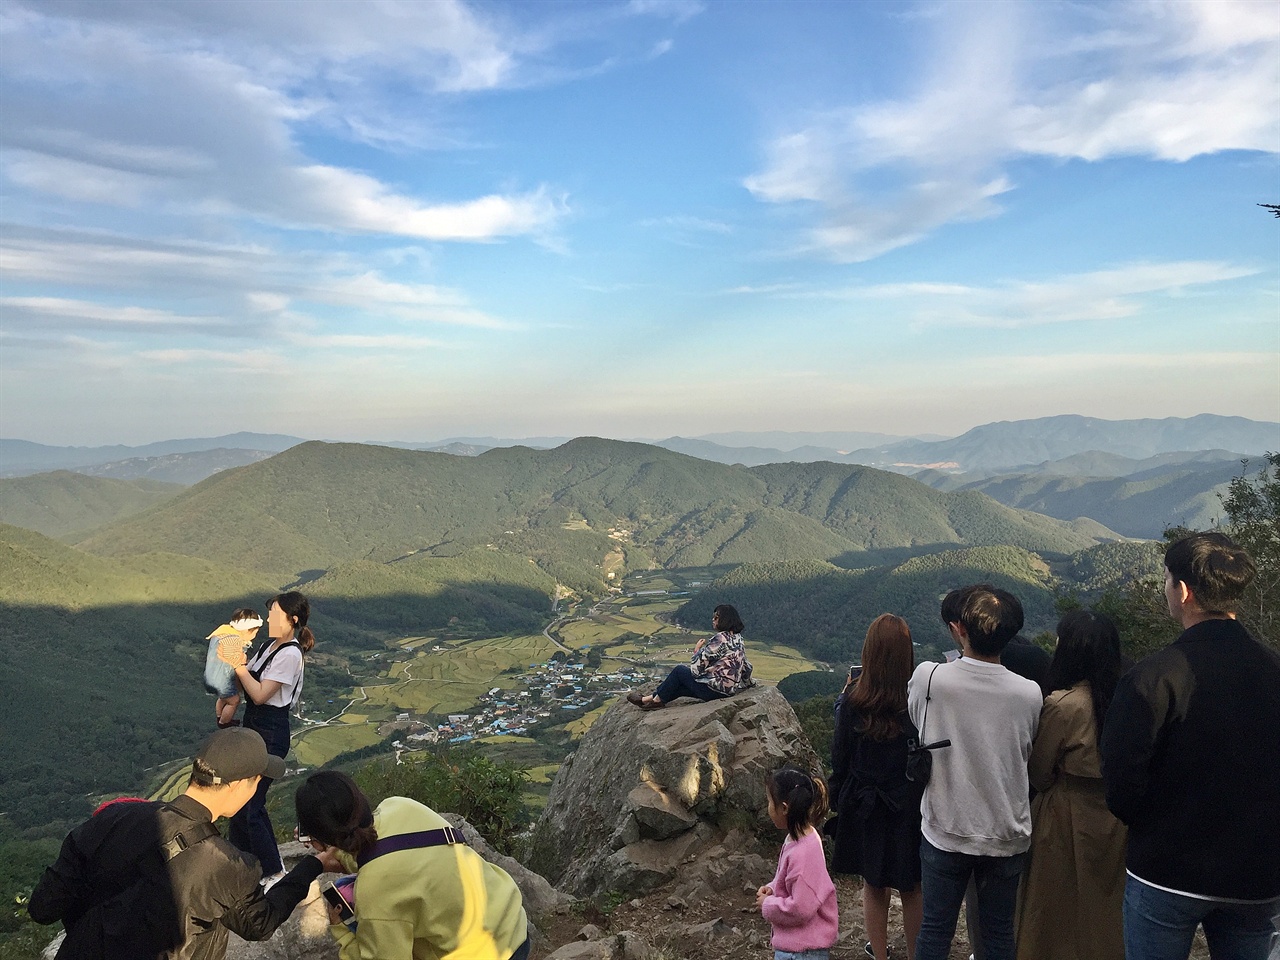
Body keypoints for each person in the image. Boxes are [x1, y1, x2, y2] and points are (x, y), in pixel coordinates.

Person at [1101, 532, 1280, 960]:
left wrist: (1154, 823)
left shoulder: (1153, 677)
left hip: (1167, 869)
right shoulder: (1273, 669)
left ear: (1182, 591)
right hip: (1258, 873)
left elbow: (1121, 779)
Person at [28, 727, 341, 960]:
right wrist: (315, 864)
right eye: (259, 780)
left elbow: (43, 907)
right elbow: (260, 924)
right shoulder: (229, 866)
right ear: (240, 784)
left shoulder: (114, 817)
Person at [908, 585, 1042, 960]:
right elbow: (1026, 748)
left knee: (935, 931)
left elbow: (919, 722)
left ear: (960, 630)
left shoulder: (930, 678)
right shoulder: (1029, 693)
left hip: (946, 826)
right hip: (1006, 831)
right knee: (998, 935)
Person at [294, 770, 531, 960]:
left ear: (319, 839)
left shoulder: (375, 894)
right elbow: (388, 849)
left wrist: (342, 932)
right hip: (512, 923)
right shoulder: (400, 806)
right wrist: (337, 857)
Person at [1015, 609, 1126, 960]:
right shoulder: (1129, 696)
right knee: (1107, 907)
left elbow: (1039, 772)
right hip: (1116, 817)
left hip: (1064, 815)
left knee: (1054, 911)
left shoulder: (1063, 705)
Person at [829, 614, 924, 960]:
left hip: (865, 803)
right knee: (913, 886)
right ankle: (917, 954)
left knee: (873, 883)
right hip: (908, 804)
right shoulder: (917, 701)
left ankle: (880, 954)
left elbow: (840, 756)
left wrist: (838, 796)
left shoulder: (854, 701)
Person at [221, 591, 313, 886]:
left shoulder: (290, 654)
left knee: (253, 804)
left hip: (271, 732)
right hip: (254, 728)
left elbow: (260, 695)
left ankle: (274, 870)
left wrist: (238, 666)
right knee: (237, 801)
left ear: (292, 620)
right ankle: (239, 863)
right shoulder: (270, 645)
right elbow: (248, 682)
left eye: (274, 613)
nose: (269, 618)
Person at [756, 766, 839, 960]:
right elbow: (788, 881)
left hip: (802, 952)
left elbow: (800, 908)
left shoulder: (803, 852)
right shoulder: (801, 837)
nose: (768, 808)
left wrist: (768, 905)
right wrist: (772, 888)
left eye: (769, 802)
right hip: (800, 947)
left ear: (784, 808)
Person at [627, 603, 753, 709]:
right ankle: (645, 700)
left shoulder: (720, 638)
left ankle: (656, 701)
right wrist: (748, 683)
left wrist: (697, 650)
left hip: (714, 690)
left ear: (724, 620)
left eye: (716, 617)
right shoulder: (738, 639)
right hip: (727, 692)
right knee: (679, 687)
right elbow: (745, 666)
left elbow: (696, 670)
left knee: (679, 671)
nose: (713, 620)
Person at [203, 608, 263, 728]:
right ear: (247, 630)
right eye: (255, 632)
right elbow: (231, 657)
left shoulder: (222, 633)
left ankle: (220, 716)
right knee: (234, 700)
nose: (255, 635)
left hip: (211, 676)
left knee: (223, 698)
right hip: (222, 678)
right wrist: (242, 661)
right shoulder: (233, 639)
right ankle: (224, 722)